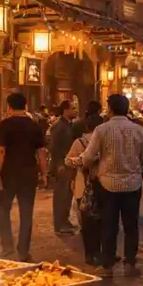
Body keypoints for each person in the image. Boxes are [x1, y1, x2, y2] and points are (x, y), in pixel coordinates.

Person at [81, 94, 143, 277]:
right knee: (131, 226)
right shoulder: (139, 130)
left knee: (109, 226)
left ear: (110, 109)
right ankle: (130, 264)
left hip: (107, 185)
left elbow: (88, 157)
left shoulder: (101, 130)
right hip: (133, 184)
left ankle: (107, 266)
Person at [0, 92, 48, 261]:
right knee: (26, 212)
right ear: (25, 106)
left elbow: (0, 151)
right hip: (28, 174)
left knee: (3, 210)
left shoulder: (4, 125)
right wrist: (44, 173)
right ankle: (23, 251)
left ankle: (7, 247)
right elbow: (41, 152)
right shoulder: (34, 126)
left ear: (9, 107)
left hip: (8, 173)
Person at [67, 114, 103, 266]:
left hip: (83, 186)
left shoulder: (79, 142)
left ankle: (89, 253)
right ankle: (100, 252)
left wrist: (78, 162)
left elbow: (68, 161)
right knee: (101, 221)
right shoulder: (104, 140)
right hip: (103, 184)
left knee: (86, 222)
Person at [48, 100, 79, 235]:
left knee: (67, 194)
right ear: (65, 110)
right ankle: (59, 224)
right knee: (61, 195)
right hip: (62, 165)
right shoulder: (59, 126)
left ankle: (64, 221)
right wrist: (59, 164)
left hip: (68, 163)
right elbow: (54, 147)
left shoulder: (68, 124)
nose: (75, 110)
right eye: (73, 108)